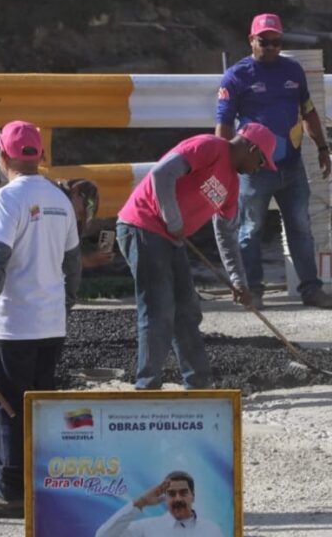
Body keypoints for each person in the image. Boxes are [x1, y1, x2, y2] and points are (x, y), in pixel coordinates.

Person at [0, 120, 81, 518]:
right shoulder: (60, 198)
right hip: (49, 325)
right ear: (39, 155)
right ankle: (38, 486)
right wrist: (62, 309)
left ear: (3, 156)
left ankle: (10, 492)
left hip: (11, 326)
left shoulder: (4, 200)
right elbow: (73, 265)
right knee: (39, 409)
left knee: (5, 408)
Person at [117, 123, 274, 390]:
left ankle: (199, 385)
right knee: (158, 309)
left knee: (187, 311)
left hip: (172, 238)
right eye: (261, 161)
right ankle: (146, 387)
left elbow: (226, 235)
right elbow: (162, 173)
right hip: (143, 227)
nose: (258, 169)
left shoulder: (232, 185)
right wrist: (173, 219)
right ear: (251, 147)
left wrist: (238, 281)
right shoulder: (209, 146)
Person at [215, 13, 332, 310]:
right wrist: (223, 163)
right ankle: (253, 291)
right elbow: (224, 123)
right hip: (254, 169)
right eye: (264, 41)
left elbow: (308, 111)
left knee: (301, 227)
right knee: (250, 229)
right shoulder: (236, 76)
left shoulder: (293, 70)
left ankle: (311, 289)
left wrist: (322, 147)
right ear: (251, 40)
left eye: (276, 42)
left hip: (291, 165)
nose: (270, 47)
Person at [0, 162, 103, 349]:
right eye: (82, 209)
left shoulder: (51, 195)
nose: (78, 216)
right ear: (76, 192)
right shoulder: (52, 195)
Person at [95, 471, 233, 537]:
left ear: (193, 496)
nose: (178, 499)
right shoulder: (146, 530)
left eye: (183, 493)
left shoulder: (212, 529)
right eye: (172, 494)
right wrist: (141, 502)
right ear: (165, 498)